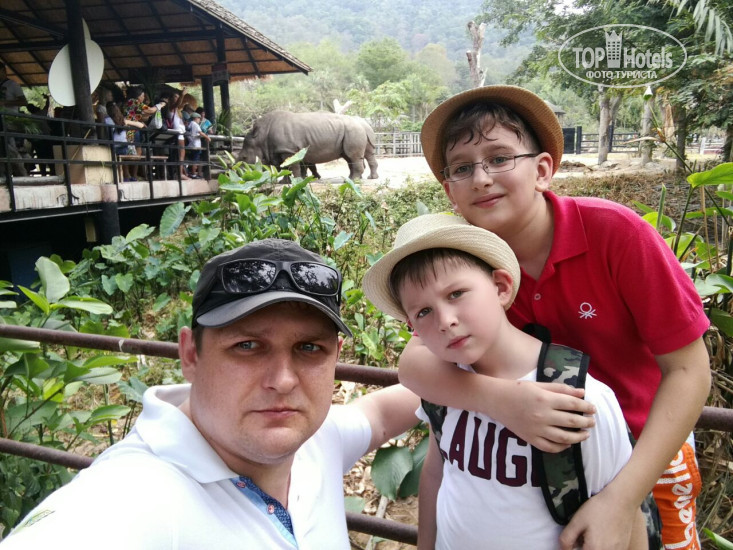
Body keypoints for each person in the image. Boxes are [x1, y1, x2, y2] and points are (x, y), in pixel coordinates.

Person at [398, 85, 711, 549]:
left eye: (500, 158)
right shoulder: (462, 262)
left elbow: (689, 370)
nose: (481, 178)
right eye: (462, 168)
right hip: (541, 449)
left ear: (542, 170)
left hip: (647, 449)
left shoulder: (616, 235)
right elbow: (413, 362)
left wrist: (621, 498)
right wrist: (505, 402)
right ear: (450, 191)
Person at [1, 238, 420, 549]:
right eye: (247, 346)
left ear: (336, 357)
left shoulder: (316, 439)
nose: (283, 380)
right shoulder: (132, 498)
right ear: (190, 354)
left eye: (309, 348)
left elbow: (382, 414)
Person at [362, 212, 647, 549]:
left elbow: (625, 516)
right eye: (423, 312)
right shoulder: (443, 386)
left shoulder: (577, 396)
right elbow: (437, 472)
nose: (445, 320)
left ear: (501, 287)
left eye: (456, 294)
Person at [0, 61, 29, 177]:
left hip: (8, 121)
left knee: (10, 149)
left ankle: (22, 175)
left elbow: (24, 102)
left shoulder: (13, 85)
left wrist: (5, 103)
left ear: (3, 71)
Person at [186, 111, 210, 179]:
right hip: (196, 145)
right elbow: (200, 132)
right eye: (199, 118)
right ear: (196, 118)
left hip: (191, 145)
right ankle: (193, 174)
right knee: (195, 160)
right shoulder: (195, 125)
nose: (199, 120)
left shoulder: (190, 124)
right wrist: (207, 137)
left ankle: (188, 172)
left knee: (190, 159)